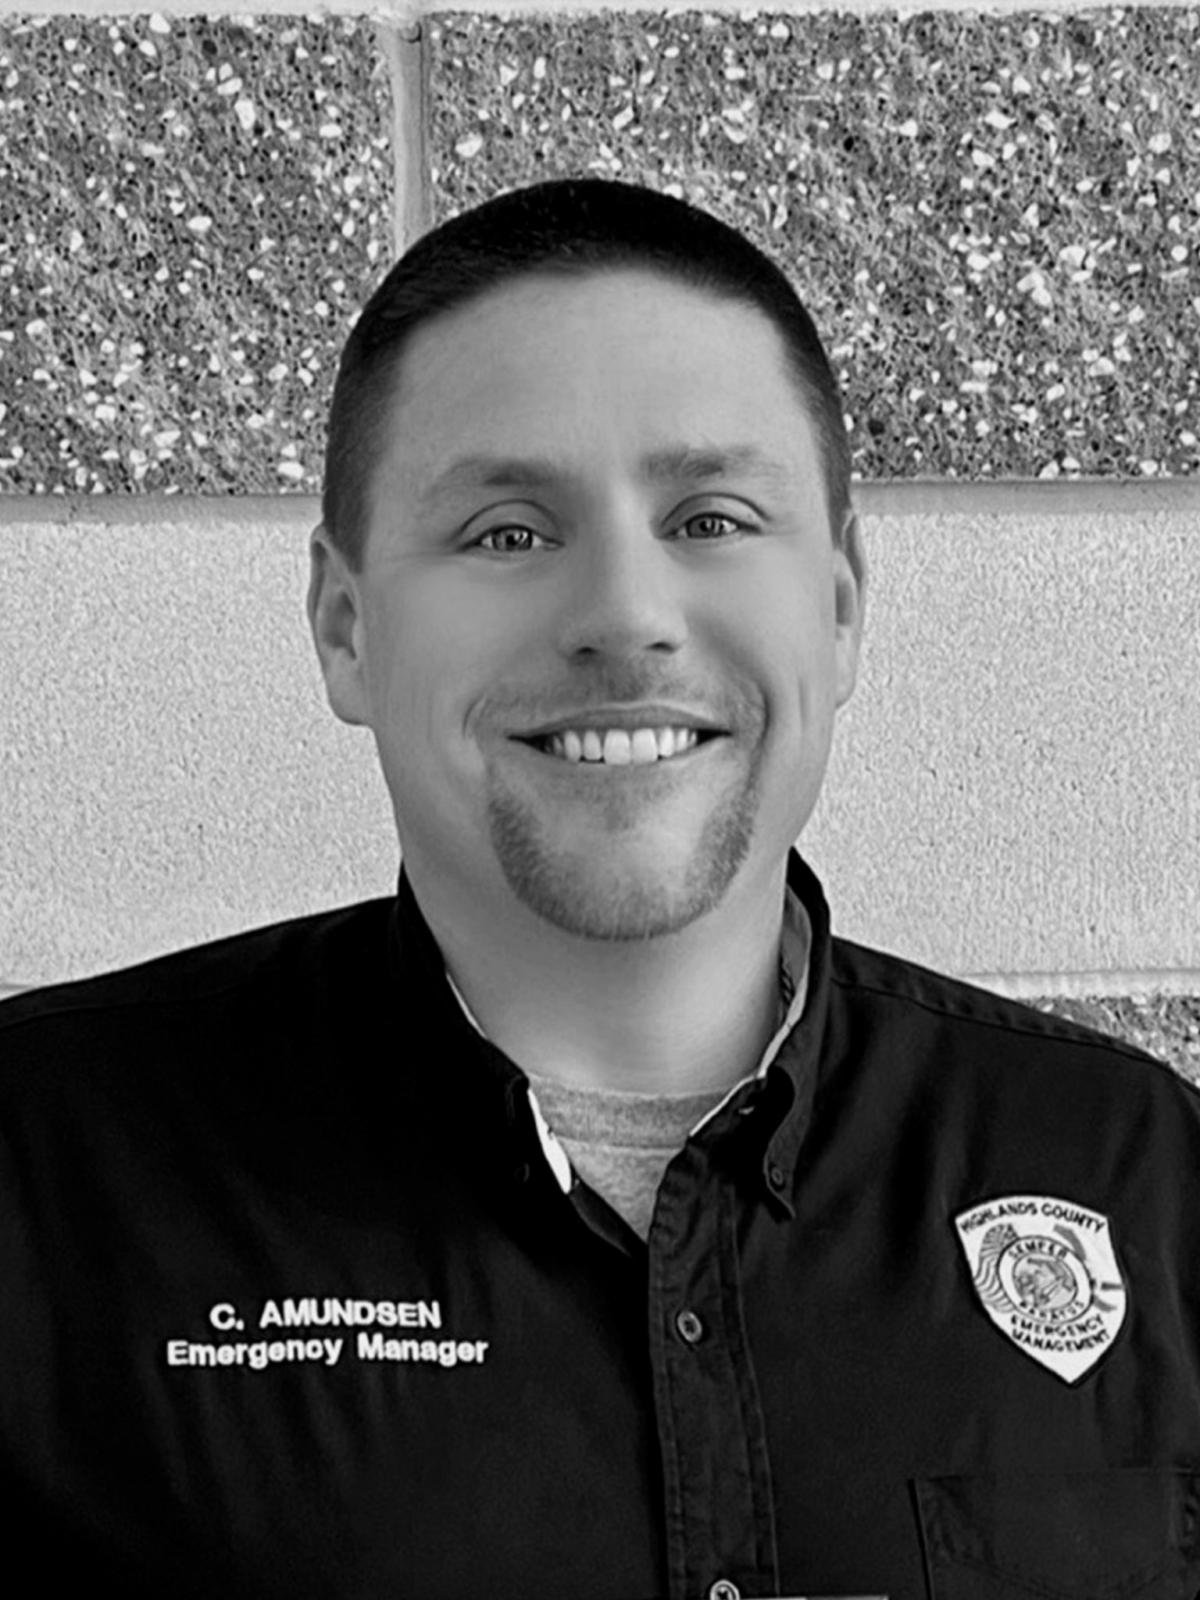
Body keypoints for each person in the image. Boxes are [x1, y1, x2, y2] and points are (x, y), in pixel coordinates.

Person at [2, 177, 1199, 1600]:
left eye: (710, 517)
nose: (626, 617)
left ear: (838, 604)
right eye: (509, 531)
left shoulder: (1145, 1175)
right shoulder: (40, 1180)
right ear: (344, 626)